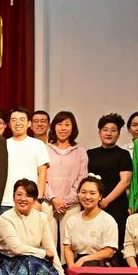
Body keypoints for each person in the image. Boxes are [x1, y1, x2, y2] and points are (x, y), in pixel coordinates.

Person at [45, 111, 88, 262]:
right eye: (60, 124)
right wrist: (54, 198)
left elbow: (82, 179)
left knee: (69, 243)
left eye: (67, 124)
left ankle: (67, 273)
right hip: (48, 203)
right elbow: (41, 177)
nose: (63, 128)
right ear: (53, 127)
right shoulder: (45, 148)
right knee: (47, 242)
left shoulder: (80, 152)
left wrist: (67, 200)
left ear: (73, 128)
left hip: (71, 204)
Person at [87, 114, 132, 255]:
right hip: (92, 205)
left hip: (116, 205)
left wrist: (106, 200)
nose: (109, 133)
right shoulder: (90, 154)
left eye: (113, 130)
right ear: (99, 132)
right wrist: (95, 201)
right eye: (105, 129)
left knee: (115, 244)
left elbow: (125, 181)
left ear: (119, 134)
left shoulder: (123, 154)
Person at [1, 107, 50, 215]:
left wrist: (39, 199)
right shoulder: (3, 144)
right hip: (6, 201)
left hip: (30, 201)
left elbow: (42, 174)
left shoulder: (38, 145)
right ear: (9, 124)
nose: (18, 123)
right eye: (14, 120)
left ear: (29, 123)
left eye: (22, 119)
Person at [62, 176, 118, 267]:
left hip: (101, 264)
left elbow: (109, 252)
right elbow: (68, 248)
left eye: (92, 193)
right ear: (78, 194)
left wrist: (84, 259)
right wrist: (72, 268)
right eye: (83, 192)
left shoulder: (108, 220)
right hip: (78, 263)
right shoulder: (72, 220)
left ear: (100, 196)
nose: (87, 197)